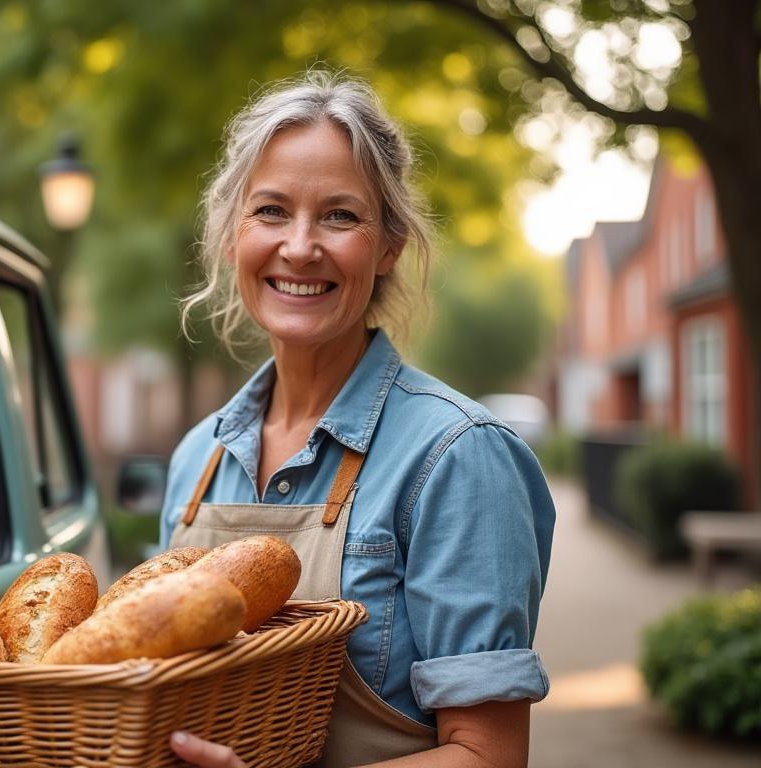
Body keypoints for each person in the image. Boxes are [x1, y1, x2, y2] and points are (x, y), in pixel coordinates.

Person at [159, 69, 555, 768]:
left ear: (389, 245)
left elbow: (488, 755)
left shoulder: (458, 456)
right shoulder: (199, 457)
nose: (300, 246)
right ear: (230, 236)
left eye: (340, 216)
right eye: (271, 211)